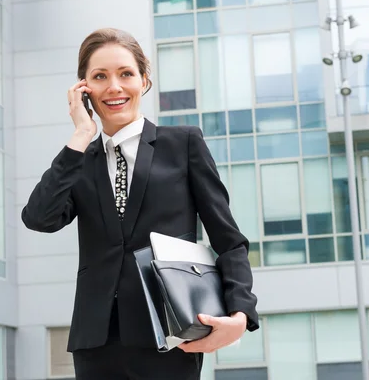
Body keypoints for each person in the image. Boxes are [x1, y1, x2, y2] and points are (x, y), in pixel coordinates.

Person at [21, 28, 259, 380]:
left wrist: (241, 314)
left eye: (125, 74)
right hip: (96, 342)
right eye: (100, 76)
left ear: (144, 81)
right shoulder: (78, 160)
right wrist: (81, 135)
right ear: (83, 89)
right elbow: (39, 218)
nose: (114, 87)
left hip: (169, 331)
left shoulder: (184, 145)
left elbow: (229, 239)